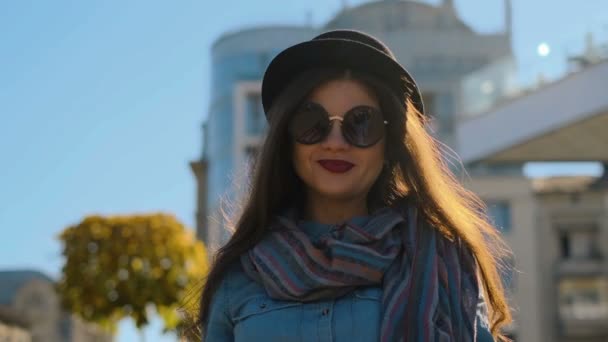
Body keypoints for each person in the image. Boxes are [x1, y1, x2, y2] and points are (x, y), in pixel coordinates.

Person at [197, 30, 512, 341]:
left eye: (362, 123)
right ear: (286, 138)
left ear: (389, 144)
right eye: (312, 122)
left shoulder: (444, 259)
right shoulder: (240, 274)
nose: (335, 143)